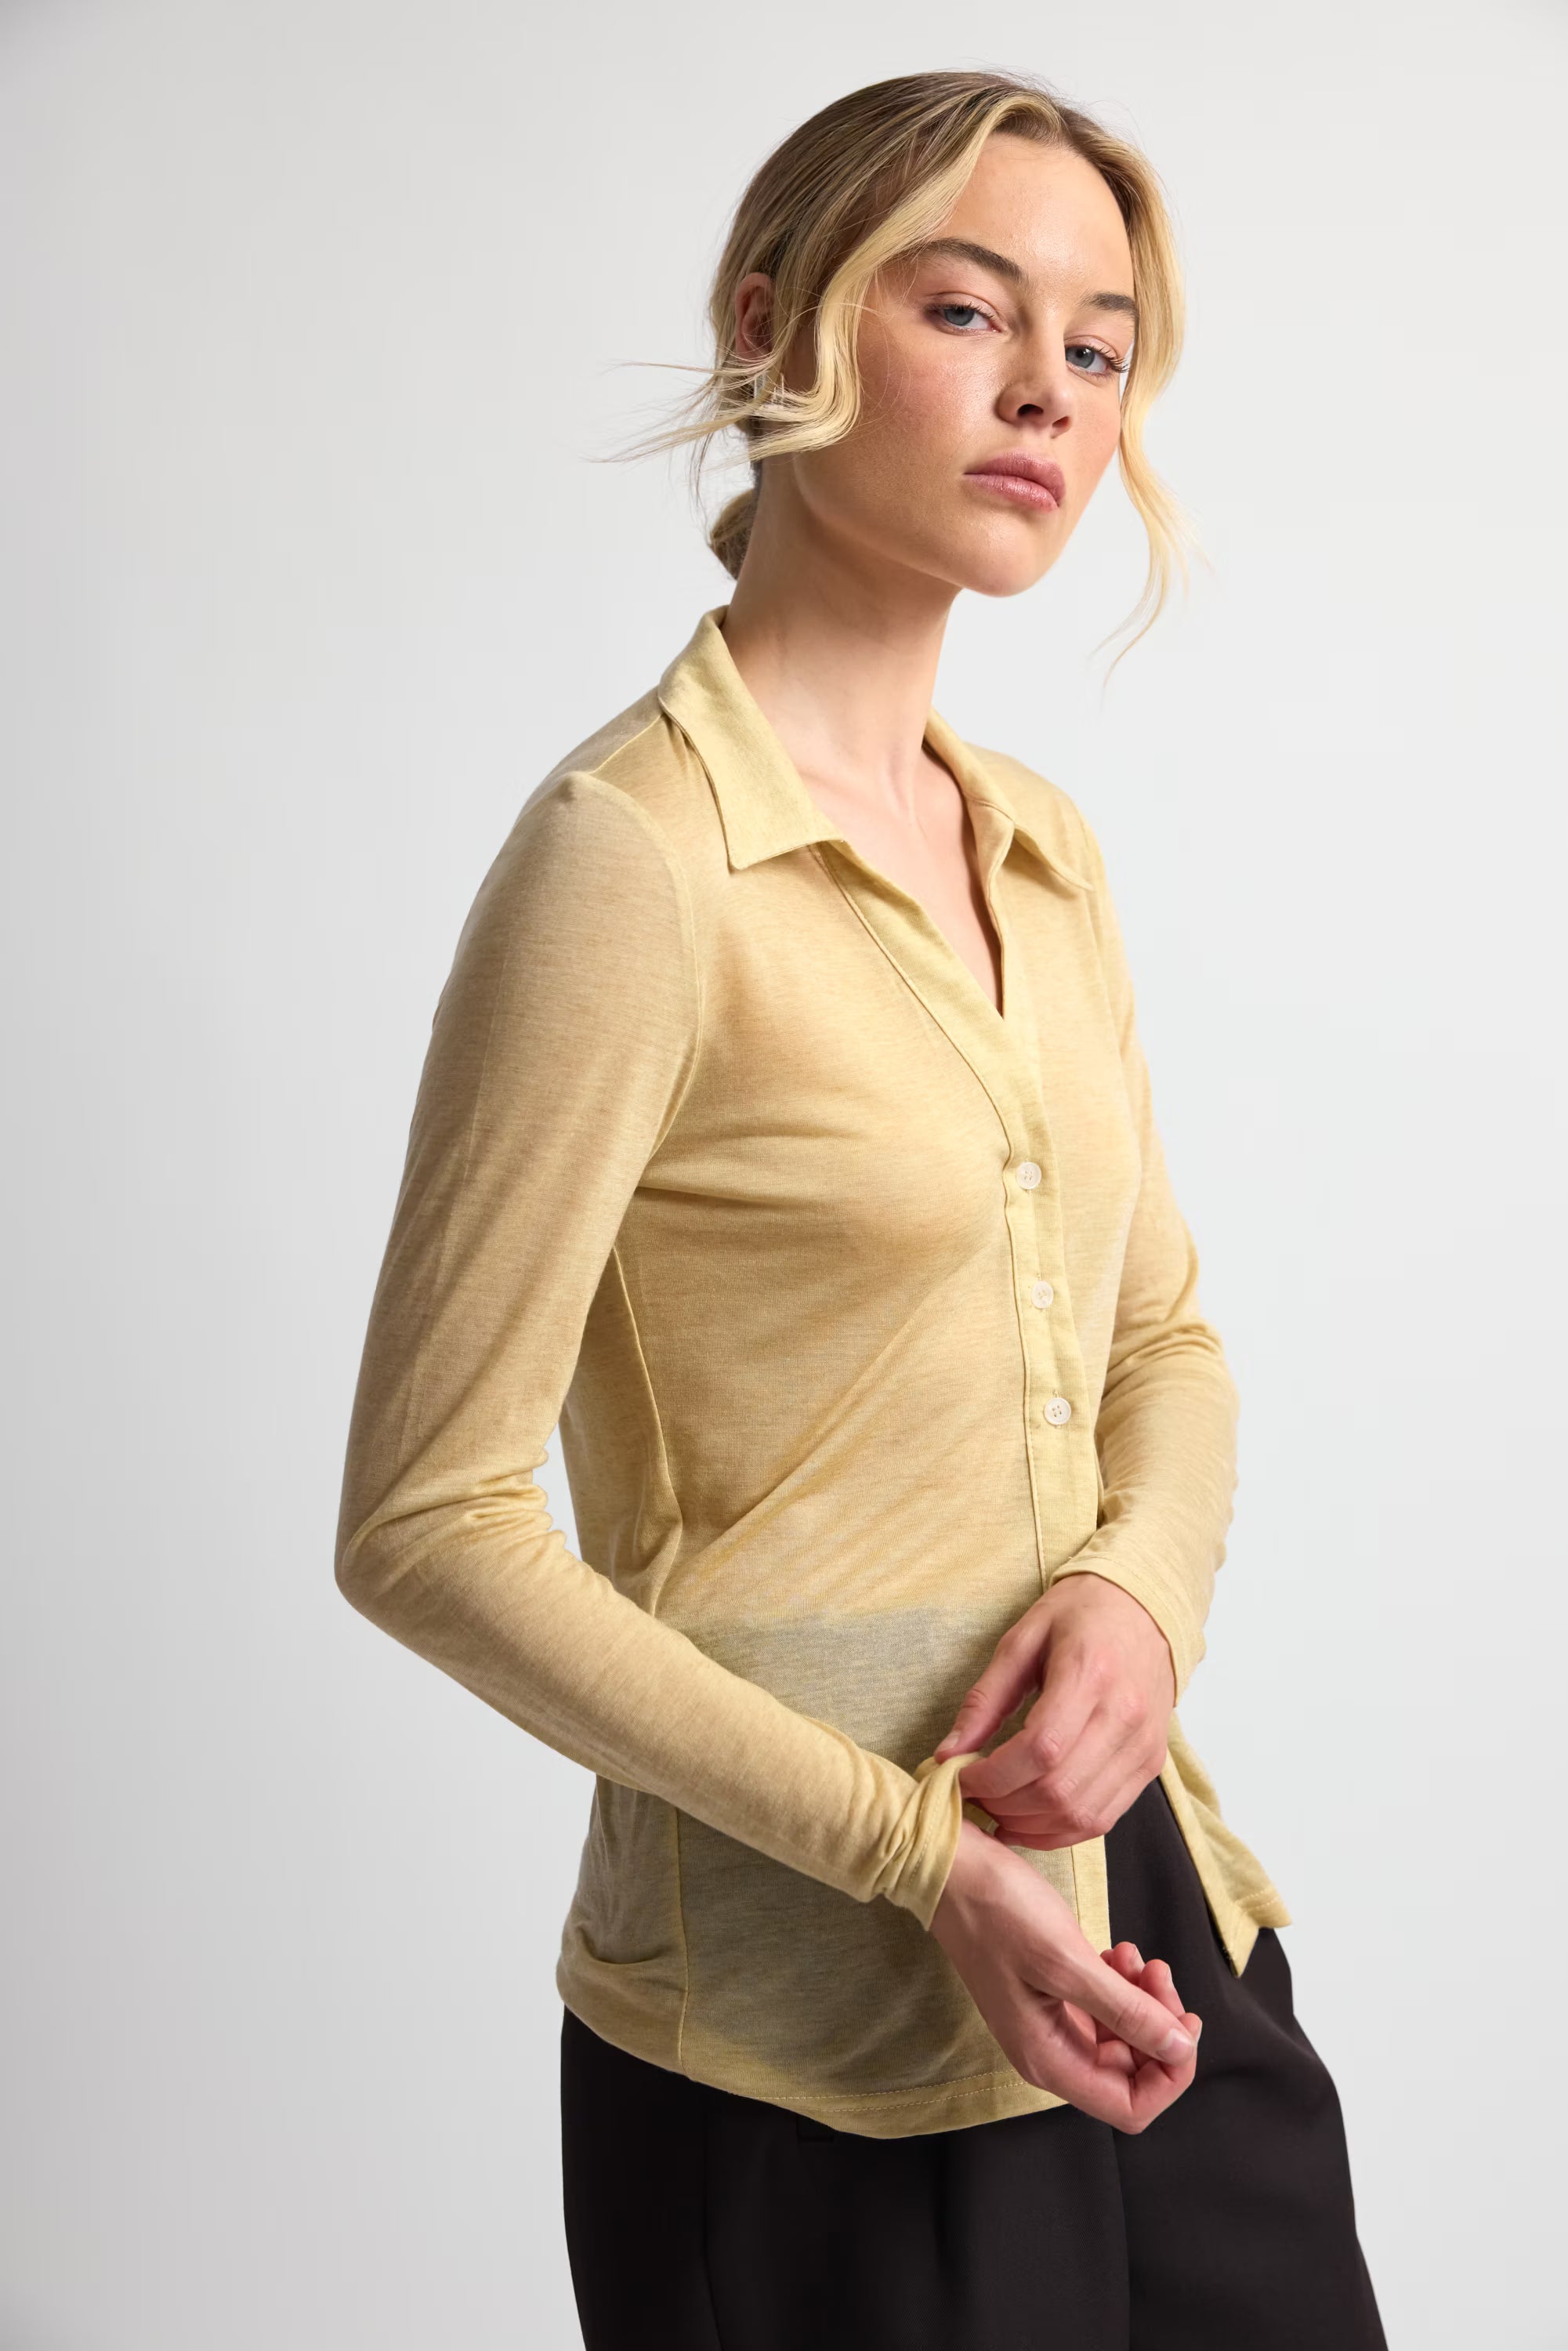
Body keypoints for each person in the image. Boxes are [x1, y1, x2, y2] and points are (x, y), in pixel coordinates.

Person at [334, 67, 1388, 2350]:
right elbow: (425, 1524)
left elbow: (1161, 1343)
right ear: (771, 325)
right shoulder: (629, 863)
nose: (1048, 392)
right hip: (796, 2041)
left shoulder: (1039, 847)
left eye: (1098, 345)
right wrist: (920, 1858)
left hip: (1144, 1921)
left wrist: (1138, 1601)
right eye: (968, 309)